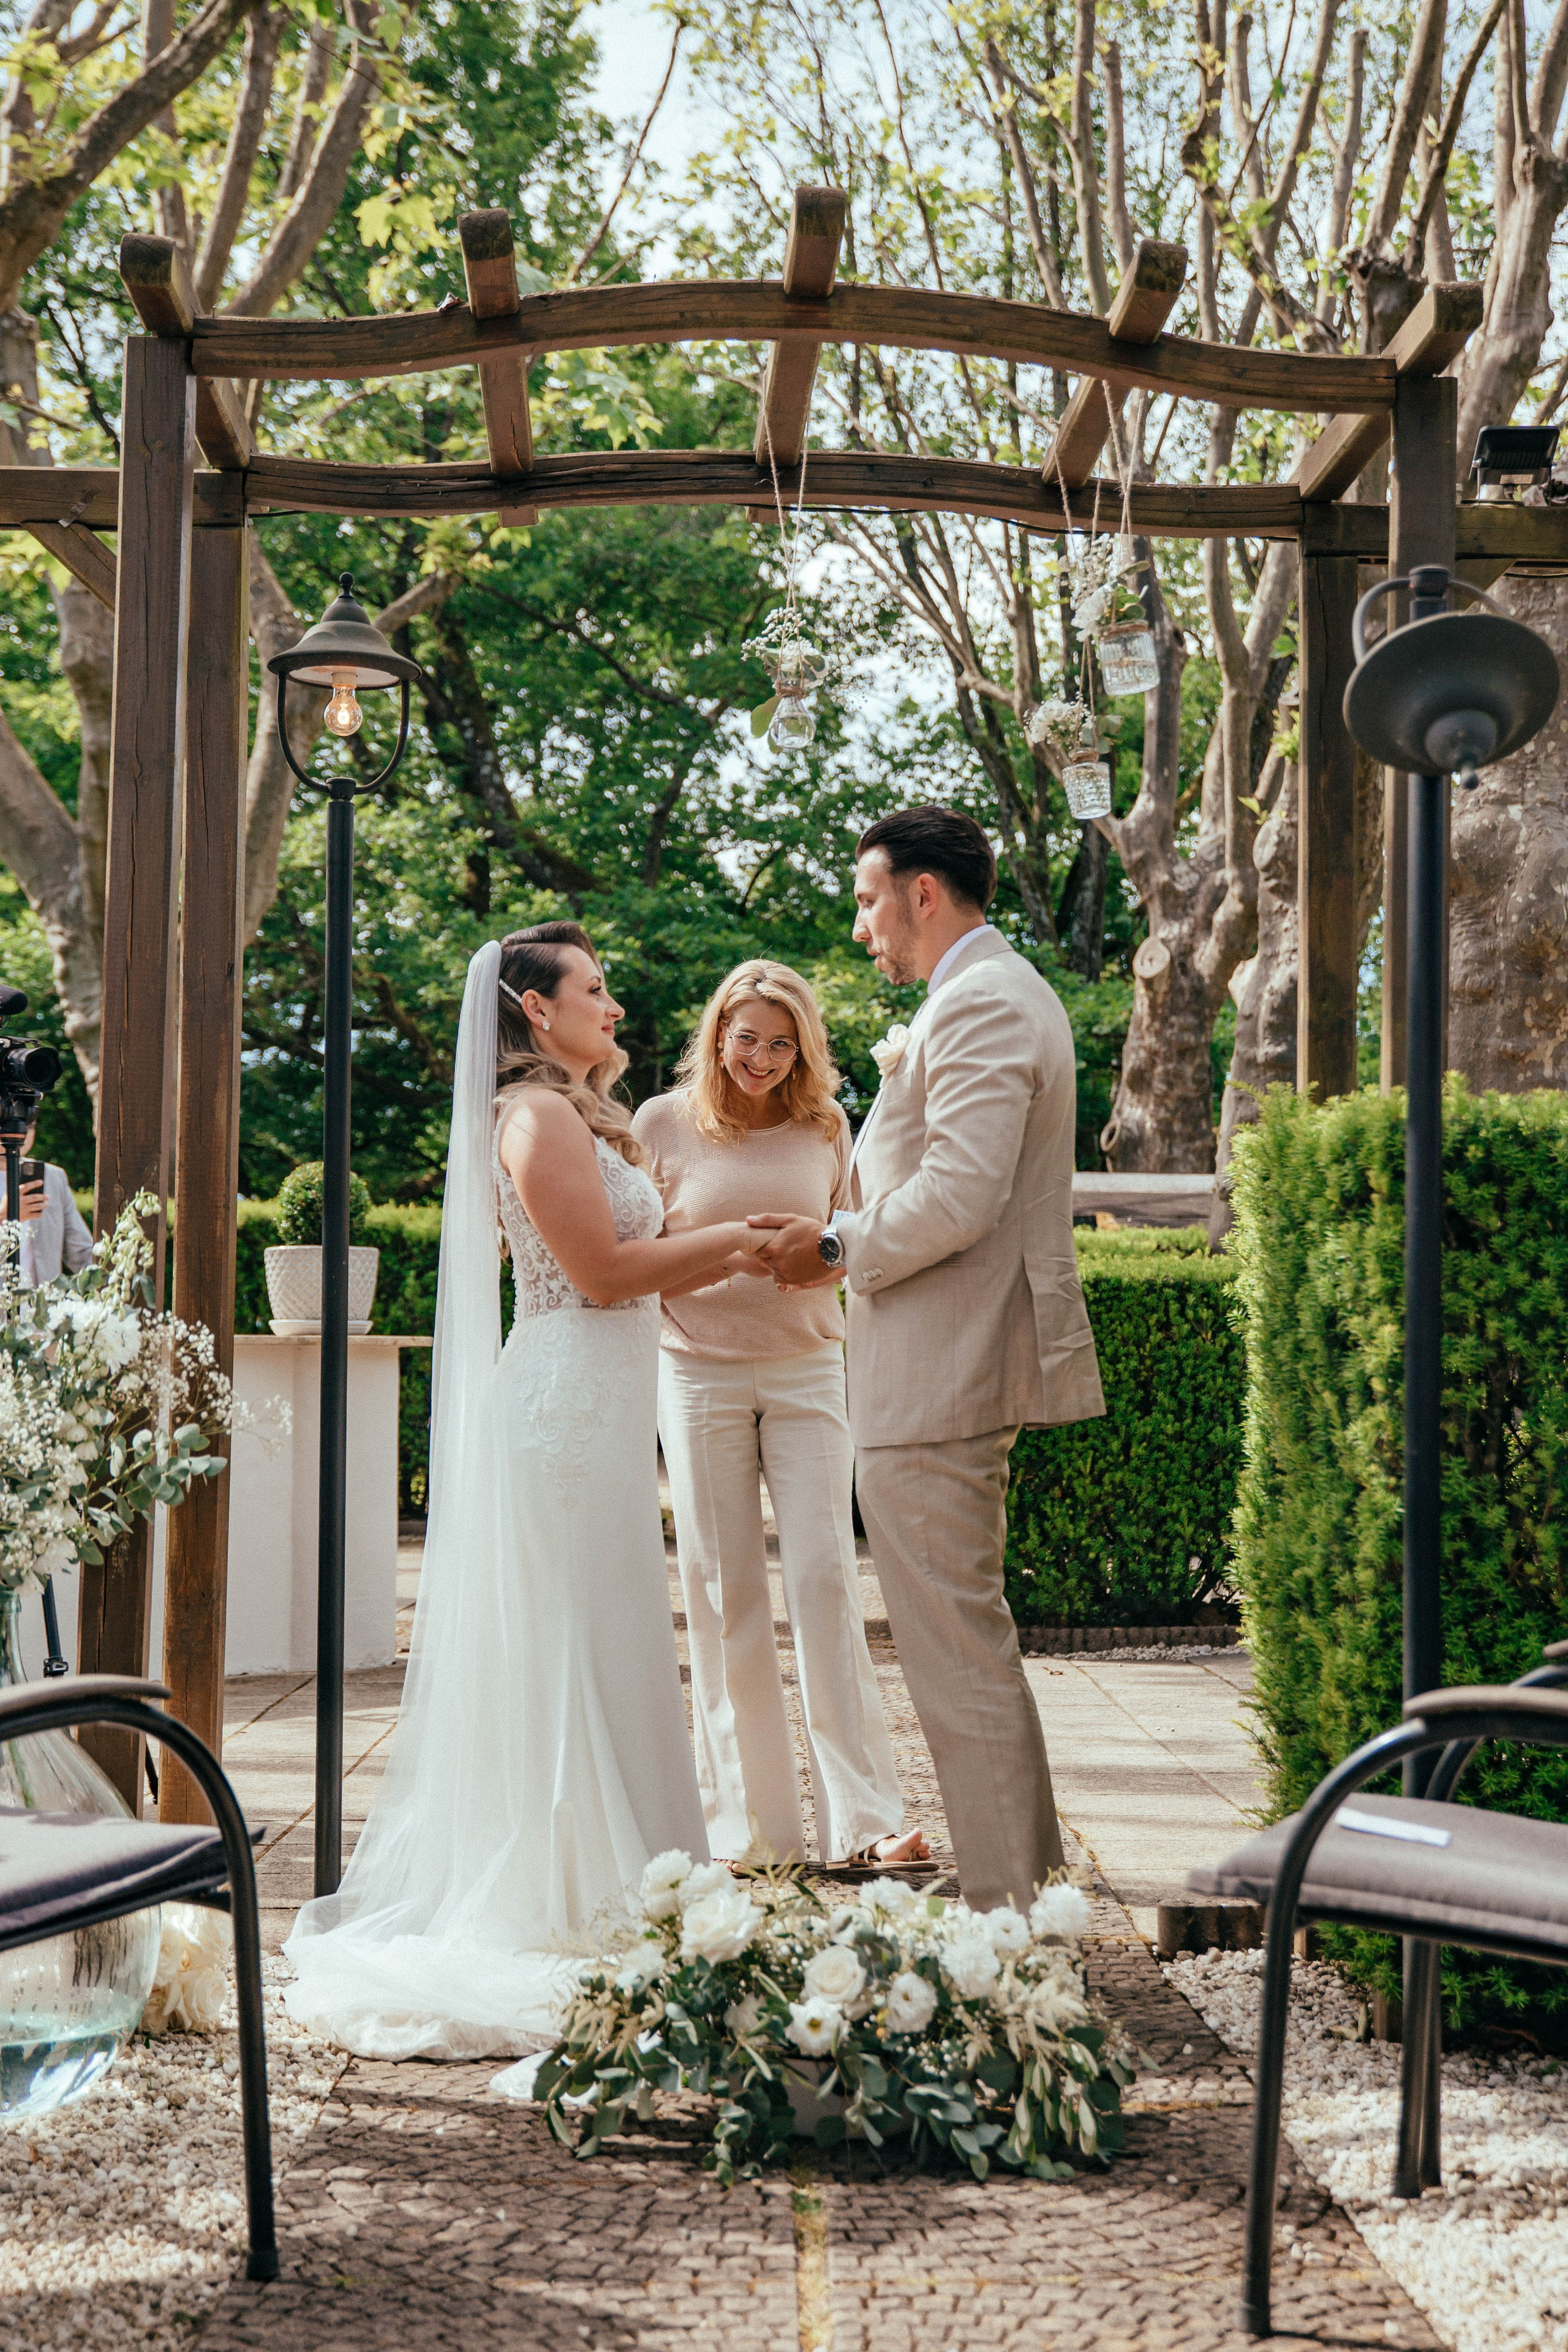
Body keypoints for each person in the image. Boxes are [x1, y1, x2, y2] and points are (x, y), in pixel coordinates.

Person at [284, 922, 775, 2064]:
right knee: (568, 1643)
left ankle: (632, 1870)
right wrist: (738, 1247)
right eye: (593, 990)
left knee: (601, 1640)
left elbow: (625, 1265)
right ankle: (571, 1890)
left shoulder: (574, 1113)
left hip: (598, 1409)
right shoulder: (534, 1116)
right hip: (561, 1408)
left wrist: (725, 1248)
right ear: (533, 1009)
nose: (613, 1005)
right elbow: (600, 1276)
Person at [751, 808, 1105, 1913]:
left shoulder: (987, 1002)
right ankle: (1026, 1899)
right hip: (933, 1366)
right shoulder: (984, 996)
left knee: (957, 1664)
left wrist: (828, 1247)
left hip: (943, 1373)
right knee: (968, 1653)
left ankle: (1008, 1927)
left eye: (868, 900)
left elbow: (962, 1191)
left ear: (922, 893)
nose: (862, 927)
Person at [633, 960, 923, 1872]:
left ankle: (868, 1822)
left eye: (780, 1042)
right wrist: (731, 1260)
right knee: (723, 1600)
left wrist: (813, 1259)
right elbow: (631, 1267)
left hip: (806, 1371)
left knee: (827, 1583)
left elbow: (853, 1246)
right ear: (718, 1033)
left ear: (804, 1048)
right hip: (696, 1375)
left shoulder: (826, 1125)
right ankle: (753, 1836)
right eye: (746, 1036)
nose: (760, 1057)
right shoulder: (660, 1125)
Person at [10, 1126, 92, 1287]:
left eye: (29, 1123)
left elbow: (83, 1255)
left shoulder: (53, 1178)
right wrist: (4, 1215)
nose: (21, 1130)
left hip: (43, 1309)